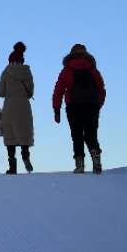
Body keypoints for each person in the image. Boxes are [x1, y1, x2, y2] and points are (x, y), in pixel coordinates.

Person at [52, 43, 106, 173]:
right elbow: (101, 89)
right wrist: (98, 105)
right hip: (92, 105)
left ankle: (80, 164)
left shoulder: (67, 70)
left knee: (77, 135)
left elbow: (58, 90)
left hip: (74, 106)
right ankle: (96, 160)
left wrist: (56, 109)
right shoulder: (93, 70)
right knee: (91, 134)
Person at [0, 41, 34, 174]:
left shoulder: (6, 72)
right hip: (23, 106)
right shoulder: (27, 71)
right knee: (24, 134)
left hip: (9, 107)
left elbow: (1, 92)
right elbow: (30, 92)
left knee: (10, 136)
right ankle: (25, 156)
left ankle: (12, 167)